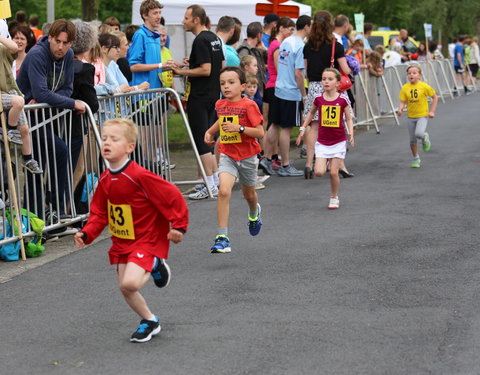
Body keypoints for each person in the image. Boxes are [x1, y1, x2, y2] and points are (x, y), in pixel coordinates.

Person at [73, 118, 188, 343]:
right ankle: (150, 320)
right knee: (125, 289)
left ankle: (156, 264)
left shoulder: (139, 175)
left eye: (114, 139)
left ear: (130, 147)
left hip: (147, 238)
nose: (107, 143)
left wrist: (179, 225)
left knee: (130, 283)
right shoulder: (105, 180)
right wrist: (86, 234)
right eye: (104, 138)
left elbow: (172, 195)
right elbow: (99, 214)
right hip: (122, 241)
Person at [17, 18, 86, 222]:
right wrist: (71, 103)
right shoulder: (38, 54)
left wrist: (53, 97)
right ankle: (36, 216)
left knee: (45, 159)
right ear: (50, 38)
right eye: (57, 41)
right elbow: (41, 92)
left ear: (72, 43)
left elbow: (68, 88)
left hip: (46, 116)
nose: (61, 47)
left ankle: (49, 213)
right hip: (27, 117)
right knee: (51, 155)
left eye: (66, 43)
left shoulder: (69, 55)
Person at [204, 67, 264, 253]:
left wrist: (240, 129)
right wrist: (210, 131)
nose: (226, 87)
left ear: (243, 86)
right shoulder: (220, 104)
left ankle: (254, 214)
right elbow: (221, 120)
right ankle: (222, 237)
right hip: (228, 154)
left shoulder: (249, 105)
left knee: (249, 195)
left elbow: (260, 132)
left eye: (231, 82)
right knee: (223, 191)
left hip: (247, 156)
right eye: (223, 83)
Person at [172, 4, 224, 200]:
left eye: (186, 18)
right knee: (208, 140)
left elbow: (206, 69)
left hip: (200, 97)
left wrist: (181, 72)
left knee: (201, 141)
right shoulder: (213, 38)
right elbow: (218, 65)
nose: (183, 21)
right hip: (212, 95)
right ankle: (214, 182)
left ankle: (209, 185)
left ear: (196, 20)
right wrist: (190, 63)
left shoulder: (201, 40)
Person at [300, 11, 352, 180]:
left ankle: (309, 164)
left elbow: (306, 71)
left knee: (313, 126)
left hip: (315, 87)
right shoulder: (335, 45)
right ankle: (338, 163)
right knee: (337, 124)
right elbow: (344, 69)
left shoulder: (308, 46)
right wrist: (352, 70)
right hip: (330, 88)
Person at [297, 68, 354, 209]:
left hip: (338, 141)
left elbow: (348, 118)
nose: (326, 82)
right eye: (324, 79)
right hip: (322, 142)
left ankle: (334, 197)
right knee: (319, 172)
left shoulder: (342, 99)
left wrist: (350, 133)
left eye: (330, 79)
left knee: (334, 172)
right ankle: (328, 161)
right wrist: (302, 129)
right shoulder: (318, 98)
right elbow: (310, 114)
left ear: (337, 82)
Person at [263, 15, 311, 178]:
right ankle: (285, 164)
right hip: (291, 90)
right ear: (306, 27)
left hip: (279, 87)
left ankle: (267, 157)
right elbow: (298, 73)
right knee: (286, 128)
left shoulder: (286, 41)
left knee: (274, 124)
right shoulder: (299, 45)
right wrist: (304, 95)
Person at [0, 33, 42, 174]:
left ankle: (28, 158)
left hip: (8, 92)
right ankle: (9, 130)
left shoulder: (2, 51)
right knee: (18, 101)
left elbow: (13, 47)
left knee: (24, 129)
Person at [258, 17, 295, 175]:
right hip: (276, 87)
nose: (291, 32)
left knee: (273, 123)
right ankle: (267, 157)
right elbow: (281, 71)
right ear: (281, 29)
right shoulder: (277, 46)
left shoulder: (275, 44)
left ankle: (266, 158)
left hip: (273, 86)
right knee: (275, 124)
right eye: (290, 29)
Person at [397, 64, 438, 168]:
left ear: (420, 75)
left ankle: (425, 137)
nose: (411, 75)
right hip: (411, 116)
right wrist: (400, 109)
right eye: (409, 73)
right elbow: (403, 101)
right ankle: (416, 158)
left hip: (422, 115)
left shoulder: (424, 86)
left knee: (419, 133)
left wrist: (432, 111)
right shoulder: (405, 88)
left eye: (414, 73)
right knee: (412, 140)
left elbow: (435, 97)